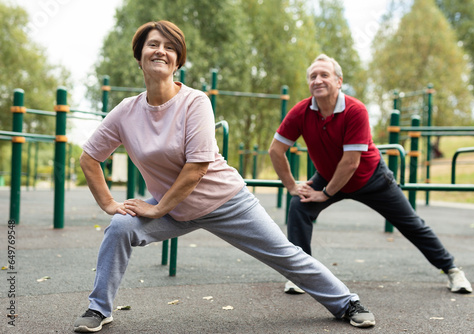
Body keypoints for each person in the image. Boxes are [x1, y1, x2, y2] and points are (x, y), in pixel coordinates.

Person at [73, 21, 376, 332]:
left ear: (179, 59)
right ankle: (98, 309)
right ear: (139, 57)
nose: (160, 51)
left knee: (286, 255)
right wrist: (110, 204)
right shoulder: (126, 112)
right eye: (152, 45)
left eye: (169, 47)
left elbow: (196, 168)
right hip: (174, 209)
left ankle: (347, 302)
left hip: (225, 201)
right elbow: (89, 158)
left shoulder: (195, 102)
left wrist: (156, 208)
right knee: (119, 227)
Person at [268, 54, 473, 296]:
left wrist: (325, 194)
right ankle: (301, 276)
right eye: (313, 76)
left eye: (325, 75)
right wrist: (292, 186)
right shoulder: (301, 112)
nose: (318, 80)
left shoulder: (355, 110)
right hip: (328, 176)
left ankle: (451, 269)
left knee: (412, 224)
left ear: (339, 81)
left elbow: (351, 162)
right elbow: (275, 150)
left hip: (371, 178)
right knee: (299, 206)